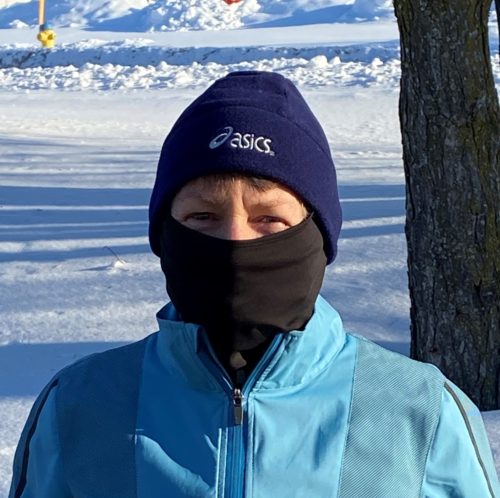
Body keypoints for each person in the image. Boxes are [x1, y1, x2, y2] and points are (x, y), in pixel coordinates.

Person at [9, 70, 499, 498]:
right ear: (164, 234)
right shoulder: (82, 403)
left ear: (318, 235)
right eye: (203, 216)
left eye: (269, 219)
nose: (235, 242)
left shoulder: (418, 409)